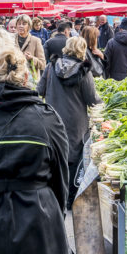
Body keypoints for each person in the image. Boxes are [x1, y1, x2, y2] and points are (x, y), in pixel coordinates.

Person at [0, 41, 69, 254]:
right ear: (26, 79)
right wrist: (56, 214)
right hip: (39, 216)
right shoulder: (47, 119)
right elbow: (61, 179)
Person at [37, 35, 99, 211]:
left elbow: (39, 90)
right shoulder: (84, 71)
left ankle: (52, 196)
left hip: (50, 118)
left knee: (53, 155)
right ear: (82, 50)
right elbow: (92, 99)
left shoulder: (50, 67)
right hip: (76, 122)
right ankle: (69, 197)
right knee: (73, 158)